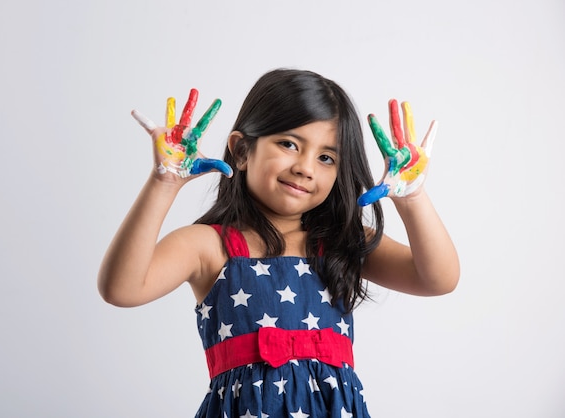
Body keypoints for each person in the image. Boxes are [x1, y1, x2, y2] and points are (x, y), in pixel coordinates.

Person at [98, 68, 460, 417]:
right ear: (241, 151)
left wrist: (413, 199)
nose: (306, 167)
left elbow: (437, 279)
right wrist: (164, 183)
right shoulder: (208, 246)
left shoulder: (341, 243)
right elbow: (122, 289)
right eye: (289, 144)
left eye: (326, 157)